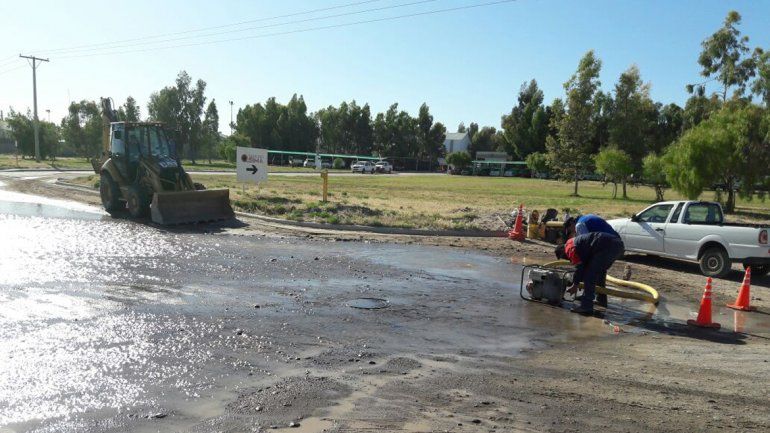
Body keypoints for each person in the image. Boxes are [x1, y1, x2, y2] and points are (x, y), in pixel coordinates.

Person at [555, 231, 625, 315]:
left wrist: (575, 284)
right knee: (599, 273)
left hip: (606, 246)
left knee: (590, 276)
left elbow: (579, 267)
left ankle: (586, 307)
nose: (566, 259)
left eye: (563, 257)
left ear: (563, 251)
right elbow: (583, 264)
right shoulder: (573, 243)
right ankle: (601, 300)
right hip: (617, 245)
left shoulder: (569, 249)